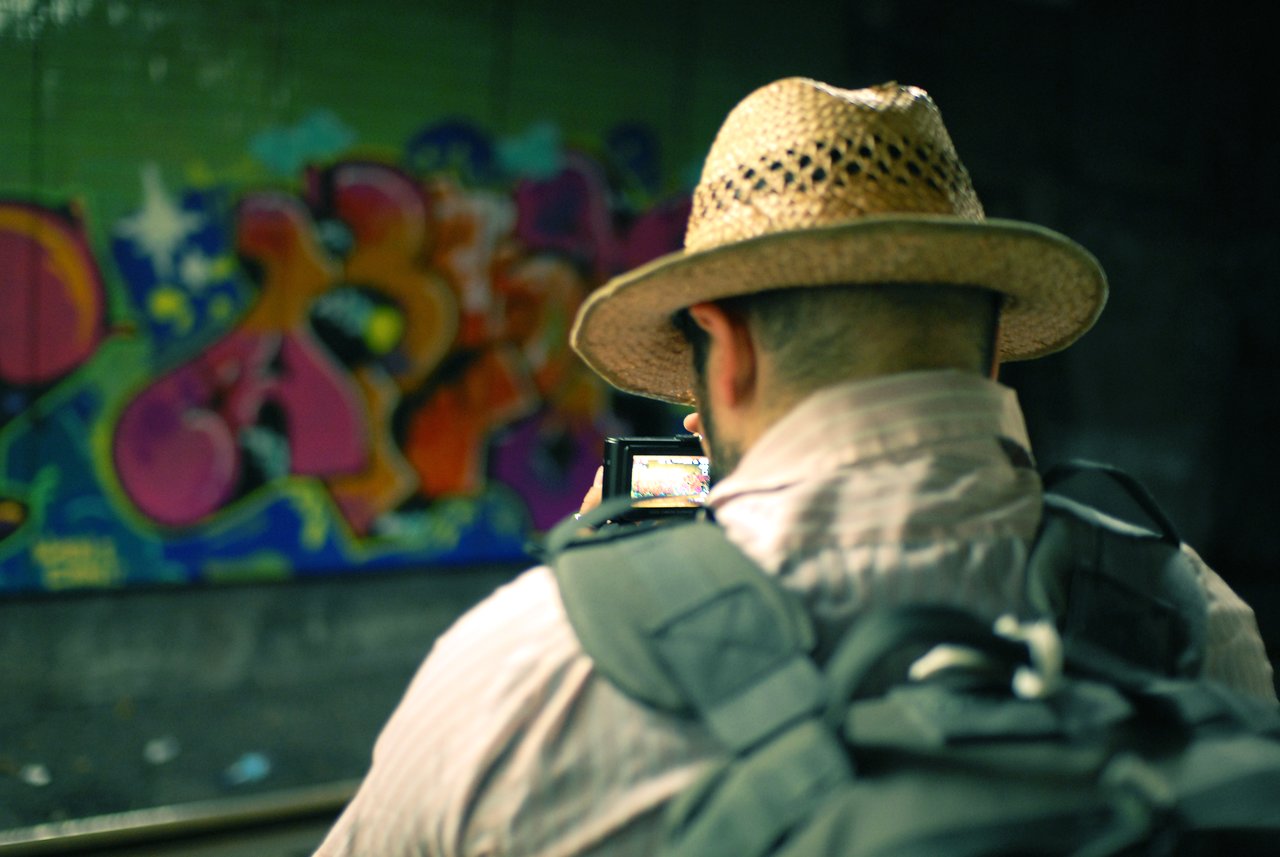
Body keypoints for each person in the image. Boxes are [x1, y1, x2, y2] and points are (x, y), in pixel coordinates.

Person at [313, 77, 1276, 857]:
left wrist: (605, 559)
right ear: (989, 350)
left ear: (725, 352)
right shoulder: (1192, 617)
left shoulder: (526, 672)